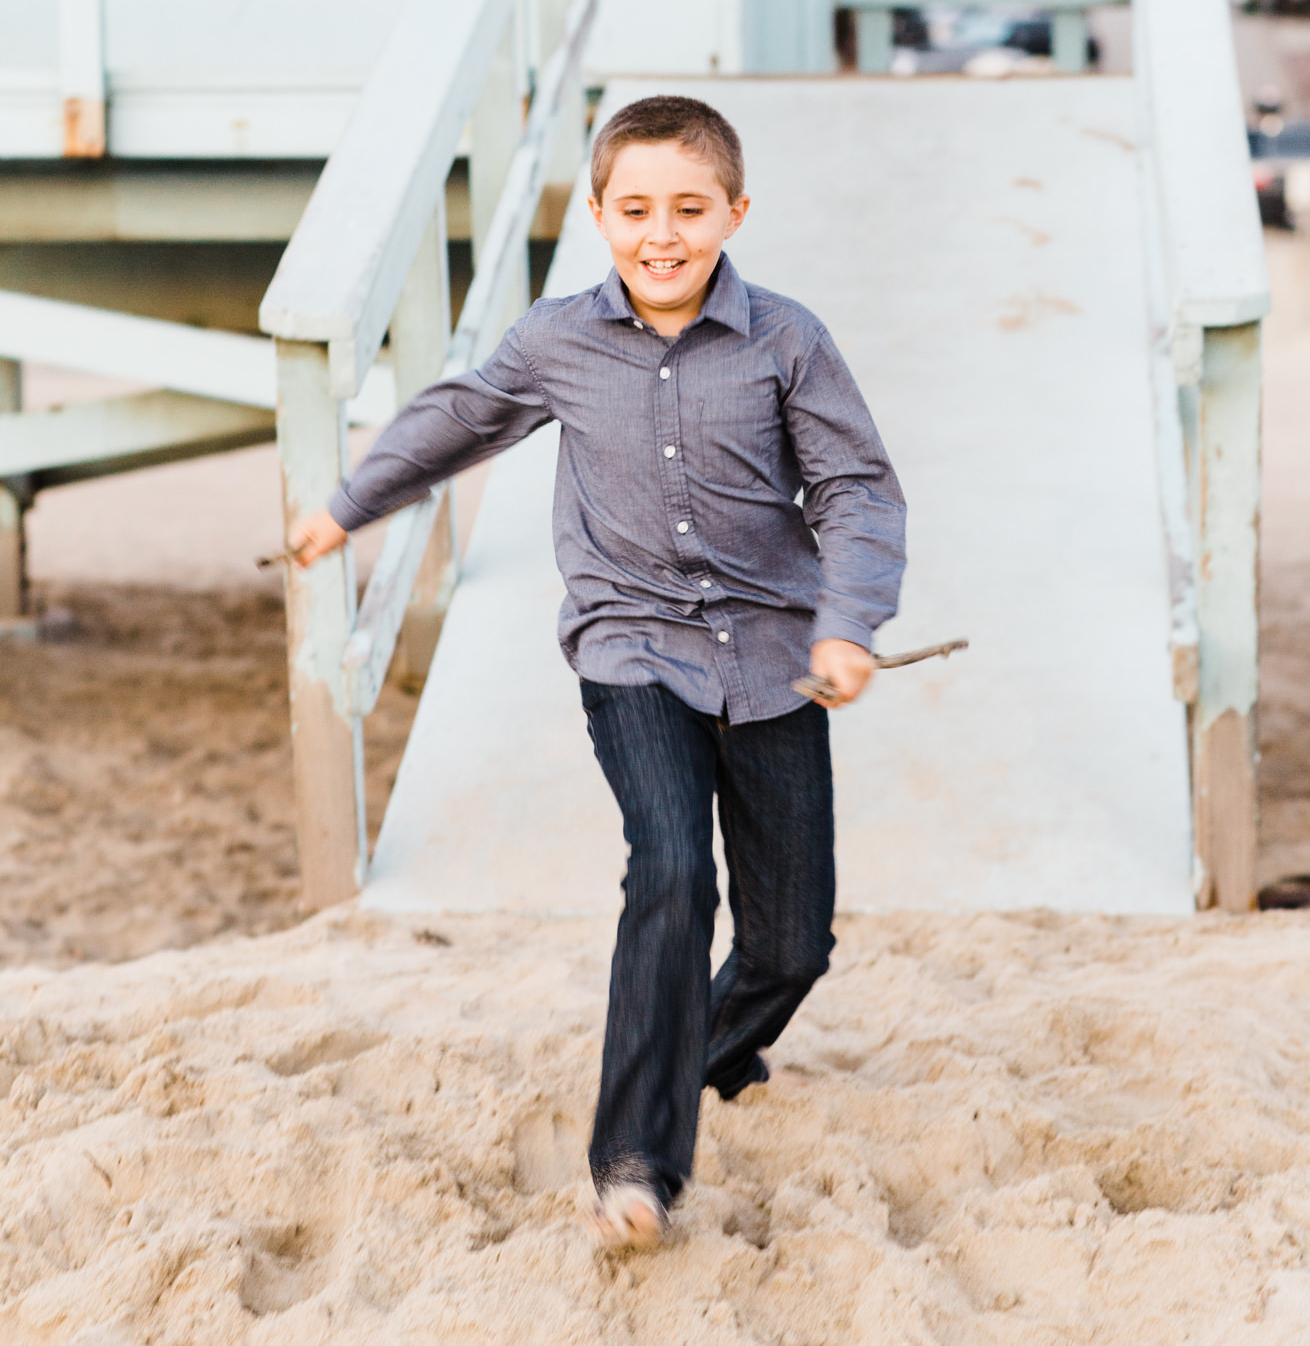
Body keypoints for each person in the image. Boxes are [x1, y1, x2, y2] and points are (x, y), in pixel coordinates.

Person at [289, 95, 907, 1247]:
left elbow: (855, 491)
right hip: (632, 648)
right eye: (633, 210)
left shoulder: (787, 340)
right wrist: (345, 506)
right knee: (670, 867)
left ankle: (699, 1058)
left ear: (734, 211)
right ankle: (634, 1162)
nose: (659, 234)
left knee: (790, 946)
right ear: (597, 214)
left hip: (776, 658)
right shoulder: (557, 341)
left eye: (688, 208)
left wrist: (848, 619)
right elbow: (457, 421)